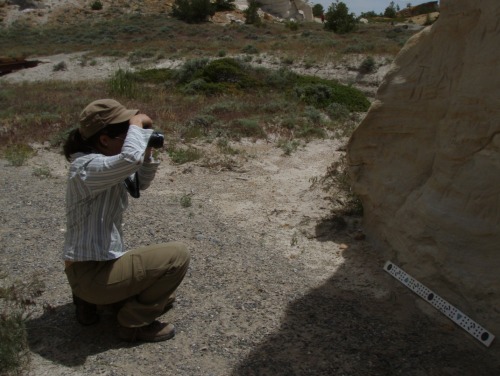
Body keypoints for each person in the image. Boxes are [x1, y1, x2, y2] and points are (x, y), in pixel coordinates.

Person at [62, 99, 190, 342]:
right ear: (104, 140)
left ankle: (91, 303)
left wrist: (147, 149)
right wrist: (138, 123)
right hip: (92, 273)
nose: (135, 137)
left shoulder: (105, 165)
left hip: (98, 267)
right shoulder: (86, 168)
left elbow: (138, 183)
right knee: (177, 256)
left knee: (164, 295)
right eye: (128, 134)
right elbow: (130, 160)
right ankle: (133, 324)